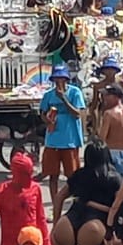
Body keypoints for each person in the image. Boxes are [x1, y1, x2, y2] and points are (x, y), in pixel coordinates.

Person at [39, 66, 86, 213]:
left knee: (72, 177)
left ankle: (73, 207)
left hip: (70, 139)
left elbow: (77, 113)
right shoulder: (48, 95)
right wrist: (47, 120)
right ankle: (55, 207)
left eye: (62, 79)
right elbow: (42, 112)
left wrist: (63, 98)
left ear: (66, 79)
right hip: (53, 139)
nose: (59, 82)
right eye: (56, 79)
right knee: (53, 175)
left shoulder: (75, 92)